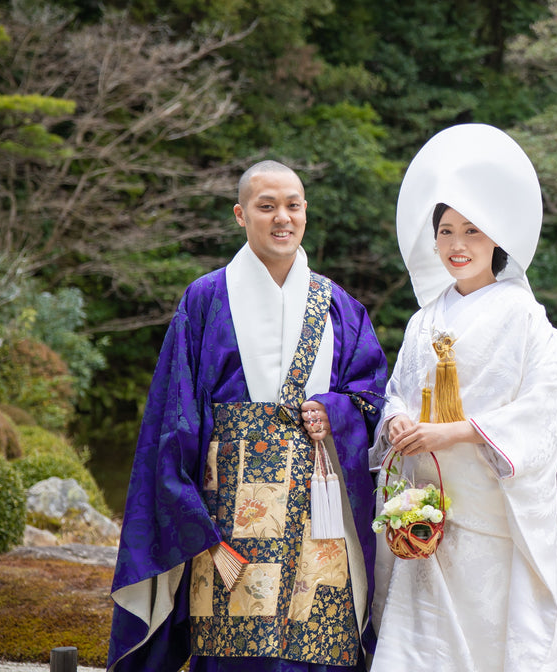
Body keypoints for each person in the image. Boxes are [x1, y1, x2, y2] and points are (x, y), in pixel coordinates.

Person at [107, 160, 387, 672]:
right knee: (233, 642)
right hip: (228, 514)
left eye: (293, 206)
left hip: (318, 510)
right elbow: (174, 421)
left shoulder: (340, 306)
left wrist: (334, 412)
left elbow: (371, 396)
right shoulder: (206, 299)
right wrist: (191, 518)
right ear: (241, 215)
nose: (282, 217)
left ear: (305, 212)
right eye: (267, 206)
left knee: (322, 641)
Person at [369, 124, 557, 671]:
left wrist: (461, 430)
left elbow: (548, 398)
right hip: (425, 506)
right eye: (445, 231)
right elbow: (397, 391)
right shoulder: (425, 319)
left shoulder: (524, 316)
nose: (457, 245)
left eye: (472, 230)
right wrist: (396, 421)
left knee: (488, 636)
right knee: (419, 642)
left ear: (496, 238)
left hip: (489, 510)